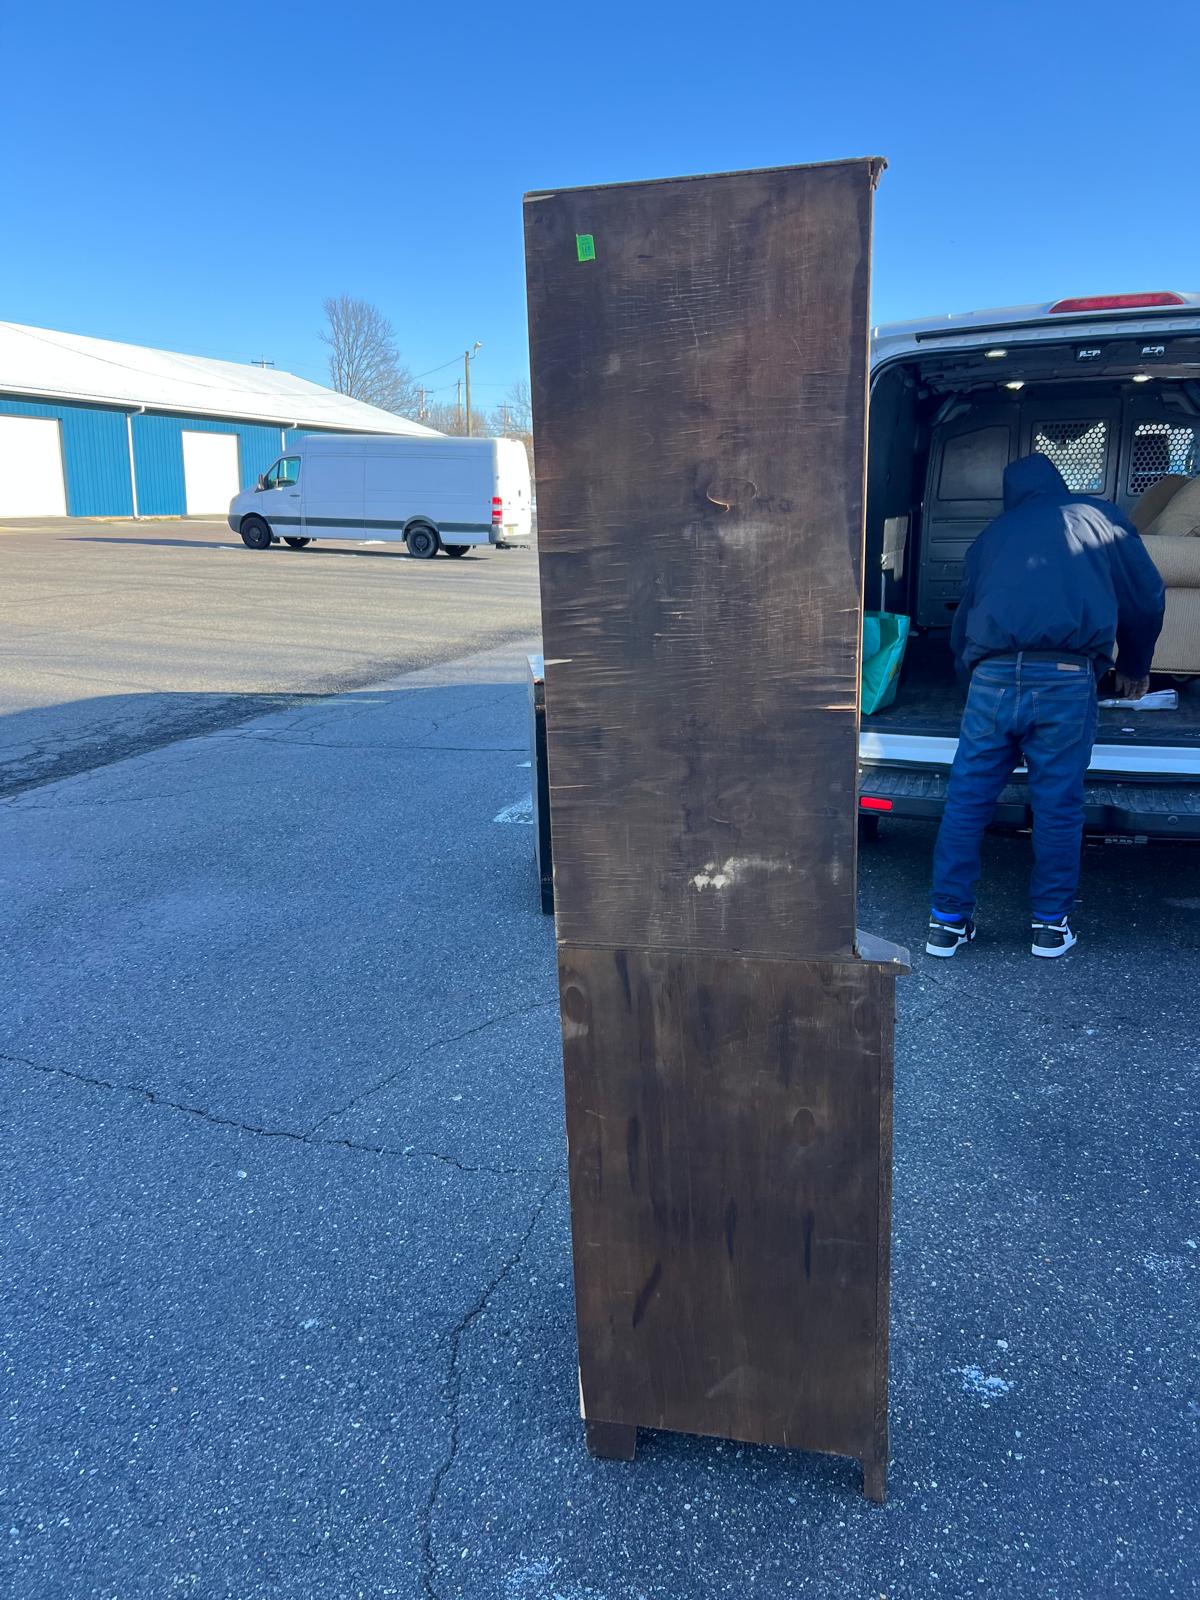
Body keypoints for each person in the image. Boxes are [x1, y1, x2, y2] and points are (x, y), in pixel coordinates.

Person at [927, 452, 1165, 960]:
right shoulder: (1100, 517)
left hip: (991, 679)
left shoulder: (991, 536)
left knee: (967, 802)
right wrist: (1135, 664)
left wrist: (968, 685)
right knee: (1056, 804)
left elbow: (963, 622)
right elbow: (1144, 597)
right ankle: (1049, 928)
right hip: (1064, 677)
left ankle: (945, 924)